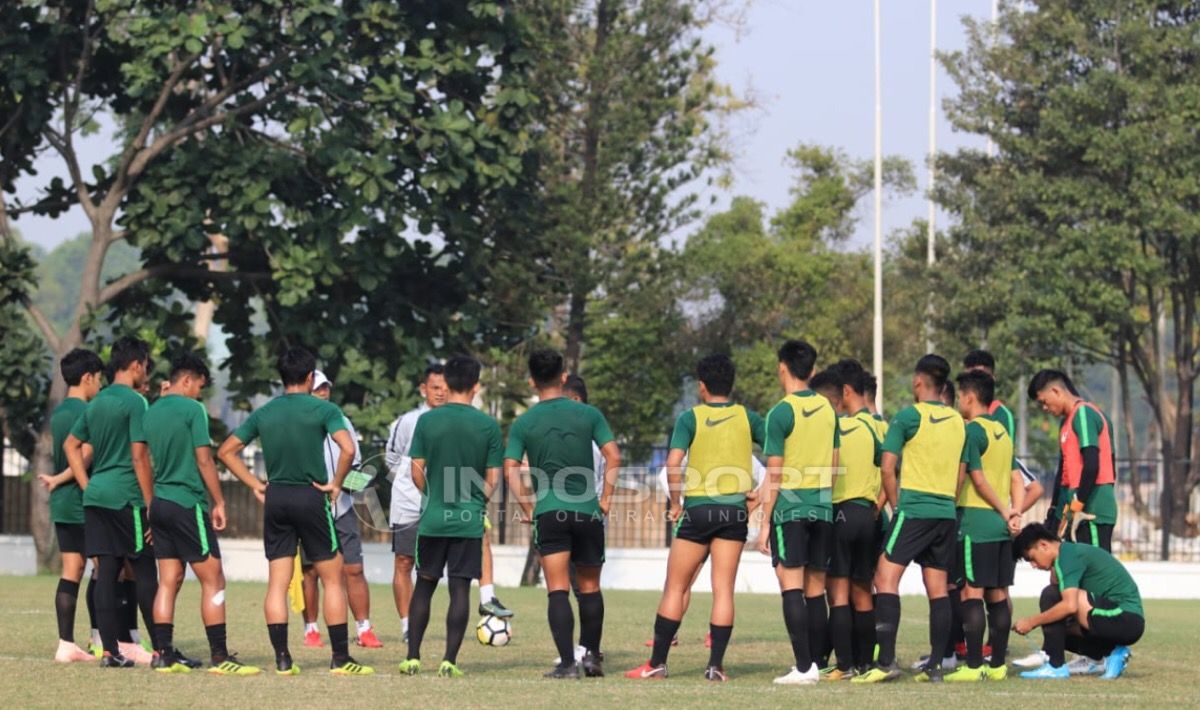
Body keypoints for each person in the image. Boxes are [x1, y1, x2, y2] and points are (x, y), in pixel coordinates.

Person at [217, 346, 372, 676]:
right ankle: (341, 658)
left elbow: (226, 451)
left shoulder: (265, 413)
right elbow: (347, 449)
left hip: (277, 498)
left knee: (277, 582)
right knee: (333, 578)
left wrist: (255, 484)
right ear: (309, 377)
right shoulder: (322, 409)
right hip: (311, 496)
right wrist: (336, 483)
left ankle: (283, 659)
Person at [626, 355, 762, 682]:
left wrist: (676, 502)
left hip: (699, 509)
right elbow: (777, 452)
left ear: (701, 386)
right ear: (732, 384)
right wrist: (761, 491)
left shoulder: (690, 418)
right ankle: (715, 667)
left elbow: (673, 464)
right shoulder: (748, 417)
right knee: (723, 590)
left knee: (675, 586)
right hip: (734, 512)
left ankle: (657, 664)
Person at [505, 350, 620, 679]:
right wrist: (606, 499)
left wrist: (529, 507)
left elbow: (510, 468)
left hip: (550, 512)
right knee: (590, 587)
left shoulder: (525, 422)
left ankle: (567, 664)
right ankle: (592, 659)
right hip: (587, 510)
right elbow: (613, 455)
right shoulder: (588, 414)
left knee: (557, 588)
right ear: (564, 376)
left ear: (531, 381)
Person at [143, 352, 259, 675]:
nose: (200, 394)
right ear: (187, 380)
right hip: (186, 502)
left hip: (161, 503)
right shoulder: (192, 410)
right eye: (200, 387)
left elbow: (140, 457)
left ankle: (163, 654)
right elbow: (205, 460)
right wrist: (219, 501)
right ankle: (220, 657)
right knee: (214, 579)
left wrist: (150, 502)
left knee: (168, 580)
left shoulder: (151, 411)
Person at [854, 354, 966, 684]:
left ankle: (886, 661)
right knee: (938, 589)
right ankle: (936, 665)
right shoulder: (959, 422)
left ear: (918, 383)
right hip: (946, 513)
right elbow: (961, 472)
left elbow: (887, 468)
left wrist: (897, 504)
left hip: (915, 509)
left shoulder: (908, 417)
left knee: (884, 577)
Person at [397, 355, 502, 679]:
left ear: (448, 382)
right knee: (459, 590)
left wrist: (431, 496)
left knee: (425, 585)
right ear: (475, 386)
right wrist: (473, 501)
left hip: (432, 519)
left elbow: (417, 471)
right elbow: (493, 479)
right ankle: (449, 661)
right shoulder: (488, 425)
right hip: (468, 522)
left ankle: (412, 657)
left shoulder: (427, 421)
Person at [64, 336, 159, 668]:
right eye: (145, 366)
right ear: (135, 365)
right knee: (146, 571)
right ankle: (162, 650)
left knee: (106, 573)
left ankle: (109, 652)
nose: (146, 372)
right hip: (127, 498)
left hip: (96, 498)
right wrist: (151, 504)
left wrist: (87, 484)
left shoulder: (98, 402)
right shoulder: (136, 402)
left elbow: (70, 445)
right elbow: (139, 458)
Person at [757, 340, 839, 686]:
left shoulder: (780, 412)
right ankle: (816, 664)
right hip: (822, 509)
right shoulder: (827, 409)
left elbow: (774, 474)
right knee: (815, 590)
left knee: (790, 585)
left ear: (782, 367)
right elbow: (834, 466)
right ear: (813, 370)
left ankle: (803, 668)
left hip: (790, 510)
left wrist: (763, 525)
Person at [943, 371, 1023, 682]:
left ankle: (974, 666)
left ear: (969, 397)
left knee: (970, 594)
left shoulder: (973, 431)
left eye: (961, 395)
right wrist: (1013, 512)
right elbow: (1016, 478)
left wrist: (1004, 510)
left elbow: (974, 477)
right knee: (998, 594)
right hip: (1001, 528)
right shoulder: (1001, 431)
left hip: (976, 522)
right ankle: (998, 665)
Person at [299, 371, 381, 649]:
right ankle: (311, 629)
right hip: (310, 510)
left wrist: (355, 483)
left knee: (354, 569)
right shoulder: (300, 421)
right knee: (310, 572)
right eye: (318, 389)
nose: (323, 393)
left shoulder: (342, 421)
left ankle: (364, 629)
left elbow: (355, 467)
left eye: (326, 389)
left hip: (342, 508)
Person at [38, 349, 105, 663]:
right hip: (83, 499)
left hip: (62, 504)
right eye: (99, 379)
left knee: (71, 570)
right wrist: (62, 477)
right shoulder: (87, 411)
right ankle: (99, 637)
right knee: (103, 568)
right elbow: (85, 454)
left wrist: (55, 481)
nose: (100, 386)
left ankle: (66, 644)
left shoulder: (59, 412)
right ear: (88, 377)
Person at [1013, 523, 1143, 680]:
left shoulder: (1067, 556)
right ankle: (1111, 653)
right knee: (1058, 635)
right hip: (1122, 620)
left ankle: (1055, 666)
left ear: (1043, 545)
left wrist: (1031, 622)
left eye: (1031, 558)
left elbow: (1070, 605)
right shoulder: (1066, 554)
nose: (1033, 565)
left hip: (1125, 618)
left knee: (1051, 595)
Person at [822, 361, 882, 680]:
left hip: (840, 512)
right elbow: (888, 468)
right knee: (864, 591)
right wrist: (879, 504)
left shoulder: (834, 429)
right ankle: (865, 663)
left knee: (839, 594)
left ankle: (843, 665)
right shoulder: (874, 427)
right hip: (868, 514)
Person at [387, 364, 447, 645]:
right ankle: (407, 625)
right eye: (435, 388)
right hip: (408, 503)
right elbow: (392, 460)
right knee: (404, 561)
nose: (441, 393)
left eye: (445, 388)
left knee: (435, 567)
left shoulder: (455, 421)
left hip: (445, 502)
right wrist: (407, 485)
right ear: (424, 389)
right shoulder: (407, 422)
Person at [1028, 370, 1117, 550]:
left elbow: (1092, 464)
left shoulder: (1083, 413)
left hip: (1091, 513)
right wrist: (1056, 514)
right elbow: (1064, 474)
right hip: (1075, 511)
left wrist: (1078, 505)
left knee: (1094, 574)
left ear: (1056, 391)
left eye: (1044, 402)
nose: (1045, 408)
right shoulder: (1066, 423)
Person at [963, 350, 1044, 508]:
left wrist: (1013, 513)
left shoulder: (1001, 416)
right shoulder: (960, 413)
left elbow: (1007, 466)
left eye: (980, 377)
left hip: (986, 504)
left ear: (992, 379)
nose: (973, 383)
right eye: (969, 378)